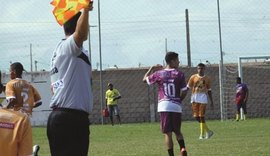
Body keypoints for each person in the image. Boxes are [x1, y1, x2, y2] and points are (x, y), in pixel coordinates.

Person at [47, 1, 94, 156]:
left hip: (64, 118)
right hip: (69, 120)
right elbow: (81, 35)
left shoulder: (60, 52)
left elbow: (54, 87)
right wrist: (85, 10)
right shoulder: (69, 47)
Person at [143, 52, 188, 156]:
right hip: (176, 106)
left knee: (167, 133)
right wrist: (179, 100)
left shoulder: (159, 73)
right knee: (178, 131)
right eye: (177, 60)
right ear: (172, 61)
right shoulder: (180, 74)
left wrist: (151, 68)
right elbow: (184, 91)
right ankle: (182, 148)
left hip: (164, 105)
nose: (179, 62)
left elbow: (144, 79)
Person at [187, 63, 214, 140]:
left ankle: (201, 135)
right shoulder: (193, 77)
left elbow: (209, 90)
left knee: (201, 116)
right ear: (197, 69)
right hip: (194, 98)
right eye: (198, 68)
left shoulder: (207, 79)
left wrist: (211, 101)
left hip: (203, 98)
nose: (200, 70)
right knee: (196, 117)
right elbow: (188, 87)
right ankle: (208, 131)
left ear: (204, 69)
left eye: (201, 68)